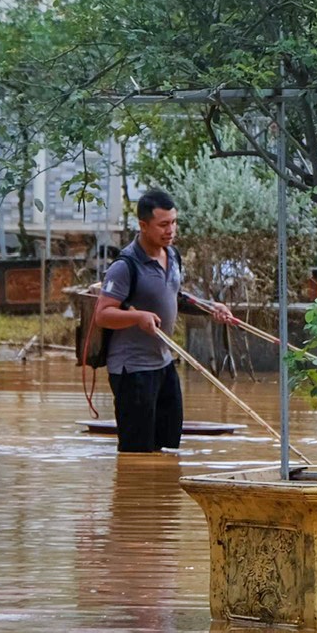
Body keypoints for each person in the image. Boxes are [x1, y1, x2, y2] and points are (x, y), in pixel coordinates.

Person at [92, 188, 238, 453]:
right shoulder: (125, 266)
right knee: (136, 452)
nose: (171, 230)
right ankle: (134, 494)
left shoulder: (172, 255)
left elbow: (175, 297)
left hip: (163, 364)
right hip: (132, 370)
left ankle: (161, 493)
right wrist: (138, 317)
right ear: (143, 226)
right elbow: (102, 314)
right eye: (163, 225)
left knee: (168, 446)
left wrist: (210, 308)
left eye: (173, 222)